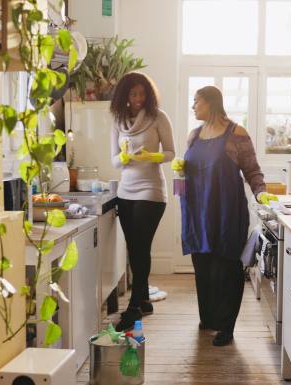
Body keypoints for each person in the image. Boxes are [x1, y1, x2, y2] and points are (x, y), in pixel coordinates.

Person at [171, 86, 277, 346]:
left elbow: (253, 171)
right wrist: (178, 180)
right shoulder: (193, 136)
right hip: (197, 212)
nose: (193, 106)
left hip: (227, 212)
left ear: (210, 102)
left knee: (227, 268)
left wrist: (261, 194)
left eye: (196, 101)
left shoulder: (236, 133)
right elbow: (182, 179)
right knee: (203, 268)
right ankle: (208, 319)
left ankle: (226, 326)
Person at [110, 72, 175, 331]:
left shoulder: (158, 117)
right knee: (134, 248)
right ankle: (144, 300)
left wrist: (152, 157)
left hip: (151, 190)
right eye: (133, 93)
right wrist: (124, 159)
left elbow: (170, 152)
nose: (138, 99)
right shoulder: (117, 120)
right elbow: (113, 159)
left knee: (140, 246)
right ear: (125, 95)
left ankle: (134, 306)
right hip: (126, 191)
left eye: (142, 93)